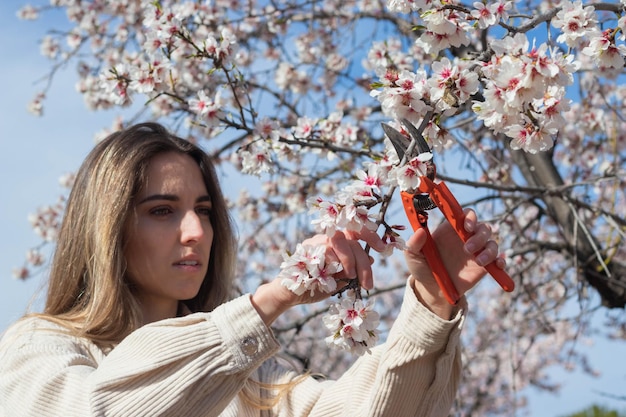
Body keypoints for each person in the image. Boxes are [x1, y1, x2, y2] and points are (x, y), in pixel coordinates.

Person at [0, 122, 505, 417]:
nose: (196, 231)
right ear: (106, 231)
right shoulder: (40, 348)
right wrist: (271, 301)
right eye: (161, 211)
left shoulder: (254, 383)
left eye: (203, 210)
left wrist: (432, 301)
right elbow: (96, 408)